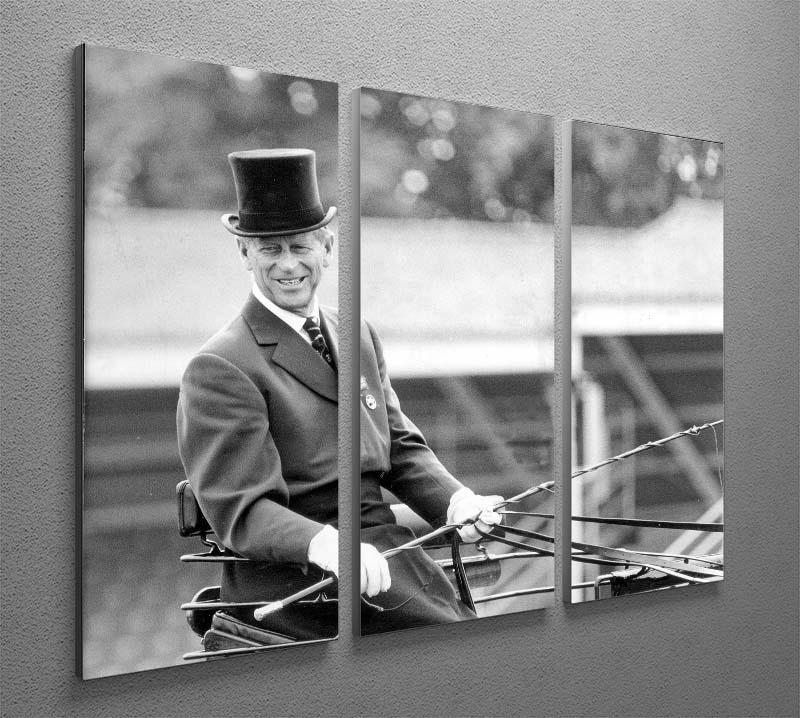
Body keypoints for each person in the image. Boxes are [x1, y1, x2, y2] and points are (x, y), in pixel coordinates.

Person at [177, 148, 502, 641]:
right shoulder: (221, 366)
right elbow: (242, 511)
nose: (288, 265)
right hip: (301, 581)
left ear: (327, 247)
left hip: (385, 555)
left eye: (301, 246)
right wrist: (327, 545)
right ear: (244, 253)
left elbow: (398, 447)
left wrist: (456, 501)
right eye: (270, 249)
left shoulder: (357, 332)